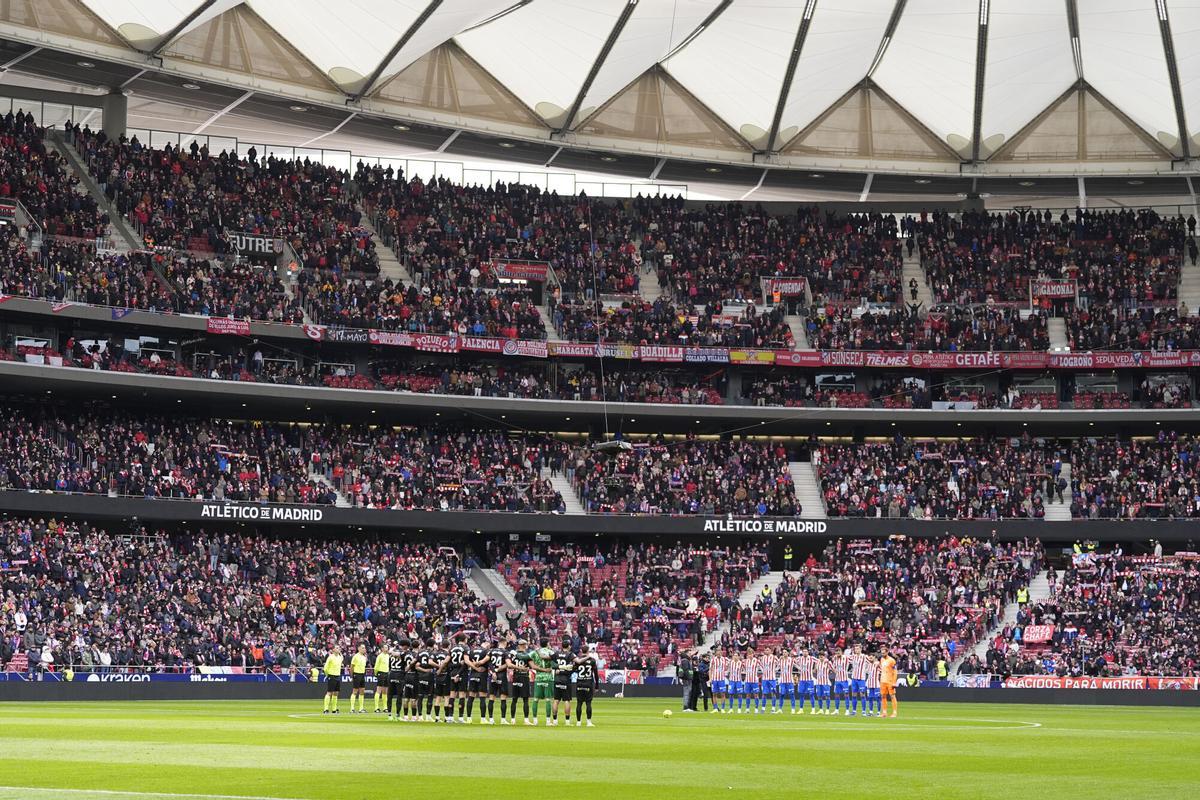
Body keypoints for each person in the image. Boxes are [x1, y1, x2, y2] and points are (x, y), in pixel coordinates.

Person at [507, 638, 534, 725]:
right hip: (524, 677)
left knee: (514, 699)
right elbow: (531, 666)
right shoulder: (527, 655)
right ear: (521, 645)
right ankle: (526, 720)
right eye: (524, 645)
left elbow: (509, 666)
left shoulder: (513, 654)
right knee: (525, 700)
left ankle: (512, 719)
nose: (525, 646)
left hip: (516, 677)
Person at [551, 637, 576, 726]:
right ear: (568, 646)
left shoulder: (556, 653)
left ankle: (554, 721)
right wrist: (571, 670)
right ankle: (567, 722)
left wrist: (557, 668)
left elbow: (551, 662)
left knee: (556, 700)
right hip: (566, 679)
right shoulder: (570, 654)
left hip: (557, 679)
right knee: (567, 700)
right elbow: (576, 663)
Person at [530, 639, 555, 725]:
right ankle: (548, 721)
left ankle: (535, 720)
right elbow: (555, 663)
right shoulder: (551, 652)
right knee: (548, 699)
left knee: (536, 699)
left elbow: (527, 658)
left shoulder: (535, 652)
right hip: (548, 677)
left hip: (538, 677)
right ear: (547, 643)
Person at [465, 639, 489, 723]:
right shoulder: (486, 651)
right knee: (482, 697)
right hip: (482, 674)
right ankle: (482, 719)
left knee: (471, 697)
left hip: (473, 674)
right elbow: (488, 663)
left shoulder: (471, 651)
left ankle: (468, 718)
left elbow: (467, 661)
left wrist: (474, 666)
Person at [574, 646, 598, 727]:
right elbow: (596, 674)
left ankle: (578, 722)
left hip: (579, 683)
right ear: (588, 651)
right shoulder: (592, 660)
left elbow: (573, 669)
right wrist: (597, 686)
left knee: (579, 703)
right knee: (588, 703)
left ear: (581, 651)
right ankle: (588, 722)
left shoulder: (578, 660)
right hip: (588, 683)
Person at [486, 638, 509, 725]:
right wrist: (499, 669)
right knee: (503, 698)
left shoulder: (491, 651)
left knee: (491, 697)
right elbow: (508, 663)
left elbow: (488, 662)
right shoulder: (505, 652)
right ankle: (503, 719)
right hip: (502, 676)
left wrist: (493, 671)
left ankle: (491, 719)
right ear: (504, 643)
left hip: (493, 675)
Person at [849, 644, 869, 716]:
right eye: (855, 649)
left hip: (861, 679)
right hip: (854, 678)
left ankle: (863, 711)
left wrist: (867, 670)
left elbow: (871, 662)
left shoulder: (864, 657)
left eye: (858, 649)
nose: (856, 650)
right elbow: (845, 660)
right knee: (854, 694)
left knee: (862, 694)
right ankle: (854, 711)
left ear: (861, 649)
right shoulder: (852, 657)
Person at [321, 645, 343, 714]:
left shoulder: (340, 657)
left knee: (336, 693)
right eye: (337, 648)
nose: (338, 649)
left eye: (339, 648)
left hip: (338, 676)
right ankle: (326, 709)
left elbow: (342, 659)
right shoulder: (330, 657)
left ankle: (334, 709)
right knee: (329, 692)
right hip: (332, 675)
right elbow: (325, 668)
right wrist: (328, 675)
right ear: (333, 649)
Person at [880, 645, 899, 718]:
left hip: (890, 681)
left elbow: (895, 672)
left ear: (887, 652)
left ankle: (894, 712)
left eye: (884, 653)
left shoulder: (892, 660)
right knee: (883, 696)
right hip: (883, 681)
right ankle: (884, 712)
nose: (883, 654)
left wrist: (894, 682)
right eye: (882, 653)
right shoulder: (881, 659)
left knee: (892, 696)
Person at [813, 651, 832, 715]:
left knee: (827, 696)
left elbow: (832, 669)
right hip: (818, 682)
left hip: (825, 682)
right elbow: (815, 670)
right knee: (819, 696)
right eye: (820, 656)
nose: (821, 657)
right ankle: (821, 709)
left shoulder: (827, 662)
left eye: (822, 655)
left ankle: (827, 709)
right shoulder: (817, 662)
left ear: (824, 656)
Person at [832, 648, 851, 714]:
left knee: (846, 694)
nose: (838, 653)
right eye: (836, 652)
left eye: (839, 651)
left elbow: (852, 661)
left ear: (842, 652)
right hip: (837, 680)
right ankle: (836, 710)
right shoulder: (835, 659)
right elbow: (833, 667)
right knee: (836, 694)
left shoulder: (846, 658)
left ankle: (847, 710)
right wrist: (835, 671)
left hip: (844, 679)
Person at [373, 644, 390, 713]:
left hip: (387, 673)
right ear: (382, 649)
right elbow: (376, 666)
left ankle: (385, 707)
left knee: (385, 691)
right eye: (385, 647)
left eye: (387, 647)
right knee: (379, 690)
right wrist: (376, 673)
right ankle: (376, 707)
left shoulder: (388, 656)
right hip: (381, 673)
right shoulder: (380, 656)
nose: (387, 648)